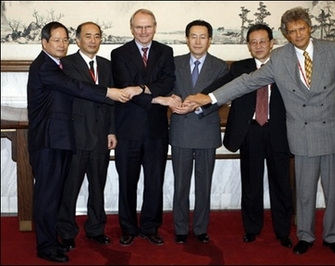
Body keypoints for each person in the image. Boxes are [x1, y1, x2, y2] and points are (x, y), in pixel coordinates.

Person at [185, 7, 335, 256]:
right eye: (292, 31)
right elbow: (246, 82)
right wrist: (209, 97)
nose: (298, 34)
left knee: (333, 190)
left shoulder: (332, 50)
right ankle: (305, 237)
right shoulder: (279, 58)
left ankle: (332, 237)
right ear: (286, 35)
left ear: (310, 28)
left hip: (333, 130)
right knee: (305, 192)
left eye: (302, 29)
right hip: (302, 133)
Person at [27, 21, 129, 263]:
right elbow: (74, 86)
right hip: (48, 142)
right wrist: (108, 92)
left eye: (64, 40)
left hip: (61, 140)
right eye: (56, 40)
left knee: (53, 194)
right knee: (47, 196)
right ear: (44, 43)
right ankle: (46, 247)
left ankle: (51, 242)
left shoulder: (57, 65)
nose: (61, 44)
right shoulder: (45, 67)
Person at [196, 24, 293, 247]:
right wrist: (199, 100)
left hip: (279, 131)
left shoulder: (285, 65)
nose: (258, 46)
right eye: (253, 42)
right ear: (248, 46)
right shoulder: (240, 68)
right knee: (251, 183)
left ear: (272, 43)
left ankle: (283, 231)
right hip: (249, 131)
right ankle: (252, 228)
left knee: (281, 184)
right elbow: (219, 89)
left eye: (262, 41)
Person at [156, 20, 228, 244]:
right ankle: (180, 228)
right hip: (181, 130)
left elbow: (222, 97)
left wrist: (199, 107)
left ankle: (200, 228)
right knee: (181, 184)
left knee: (204, 184)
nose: (198, 41)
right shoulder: (173, 63)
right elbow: (165, 88)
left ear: (210, 39)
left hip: (206, 130)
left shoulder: (220, 66)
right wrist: (171, 101)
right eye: (193, 36)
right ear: (186, 39)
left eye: (202, 37)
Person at [110, 9, 175, 246]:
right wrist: (155, 96)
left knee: (154, 182)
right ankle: (128, 228)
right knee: (127, 181)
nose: (143, 31)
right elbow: (125, 89)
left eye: (148, 27)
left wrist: (142, 88)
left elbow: (167, 82)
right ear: (131, 28)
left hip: (157, 130)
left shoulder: (165, 52)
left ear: (155, 27)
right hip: (127, 130)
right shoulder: (118, 53)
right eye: (139, 27)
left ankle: (150, 227)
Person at [56, 22, 115, 250]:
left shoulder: (107, 66)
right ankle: (67, 231)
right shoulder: (66, 64)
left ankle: (96, 229)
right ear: (77, 40)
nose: (93, 40)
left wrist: (112, 130)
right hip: (76, 137)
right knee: (70, 187)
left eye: (97, 36)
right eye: (87, 36)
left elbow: (112, 102)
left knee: (98, 185)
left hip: (101, 137)